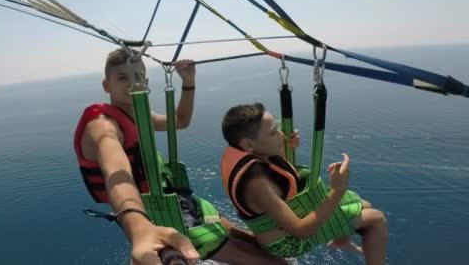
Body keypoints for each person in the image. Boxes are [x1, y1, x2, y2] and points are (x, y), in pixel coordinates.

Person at [73, 49, 286, 264]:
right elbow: (116, 172)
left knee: (257, 244)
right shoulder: (102, 125)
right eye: (122, 77)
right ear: (106, 85)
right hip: (158, 211)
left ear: (145, 82)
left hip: (178, 198)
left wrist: (188, 82)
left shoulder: (139, 116)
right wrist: (137, 226)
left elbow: (180, 120)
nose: (132, 83)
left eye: (137, 76)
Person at [220, 103, 388, 264]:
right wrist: (337, 190)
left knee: (363, 204)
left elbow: (277, 172)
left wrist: (285, 147)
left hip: (284, 226)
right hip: (285, 243)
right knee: (376, 219)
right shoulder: (257, 184)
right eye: (273, 133)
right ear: (248, 144)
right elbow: (301, 231)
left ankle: (340, 241)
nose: (281, 135)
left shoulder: (249, 156)